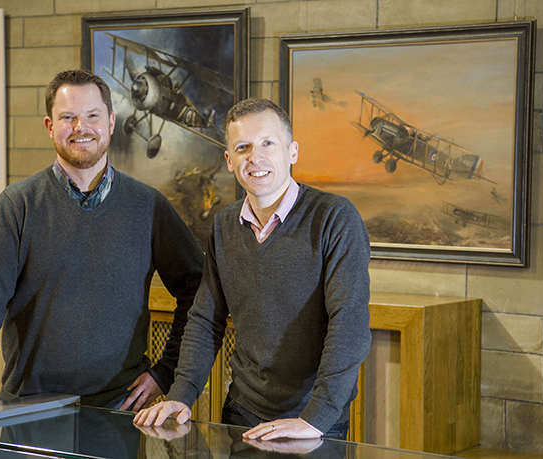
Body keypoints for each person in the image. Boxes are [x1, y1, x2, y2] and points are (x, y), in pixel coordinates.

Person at [0, 69, 204, 415]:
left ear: (110, 122)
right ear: (49, 126)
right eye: (68, 118)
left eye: (92, 116)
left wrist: (166, 372)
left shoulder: (148, 206)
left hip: (118, 410)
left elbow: (198, 289)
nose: (81, 128)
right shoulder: (18, 205)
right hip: (28, 409)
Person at [134, 98, 371, 441]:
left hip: (312, 419)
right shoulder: (224, 225)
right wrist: (181, 394)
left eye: (268, 143)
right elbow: (204, 319)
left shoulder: (334, 218)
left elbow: (349, 326)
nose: (255, 157)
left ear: (292, 152)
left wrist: (316, 419)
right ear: (230, 160)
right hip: (240, 411)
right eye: (243, 147)